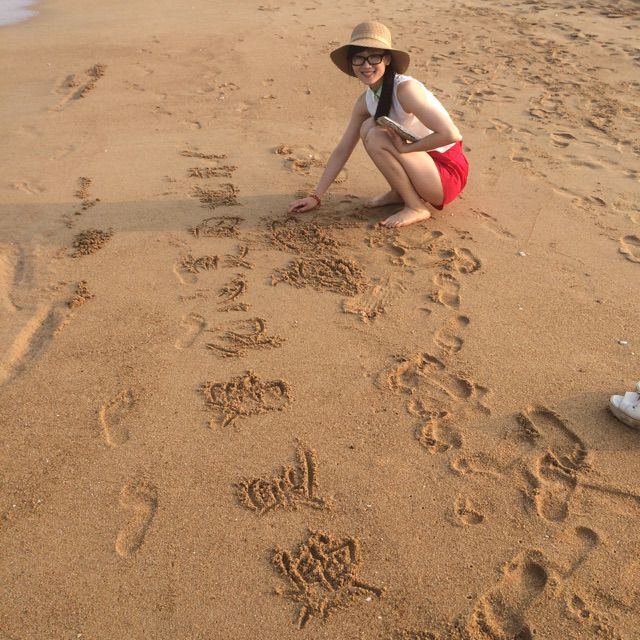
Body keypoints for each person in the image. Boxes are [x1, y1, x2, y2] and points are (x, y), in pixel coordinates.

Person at [288, 21, 468, 228]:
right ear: (351, 63)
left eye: (374, 57)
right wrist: (316, 196)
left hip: (446, 173)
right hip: (423, 168)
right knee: (368, 127)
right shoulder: (366, 101)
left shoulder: (405, 90)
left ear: (387, 59)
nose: (366, 65)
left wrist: (406, 148)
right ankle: (399, 193)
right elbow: (343, 149)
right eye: (359, 58)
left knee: (377, 135)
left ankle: (416, 207)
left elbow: (450, 134)